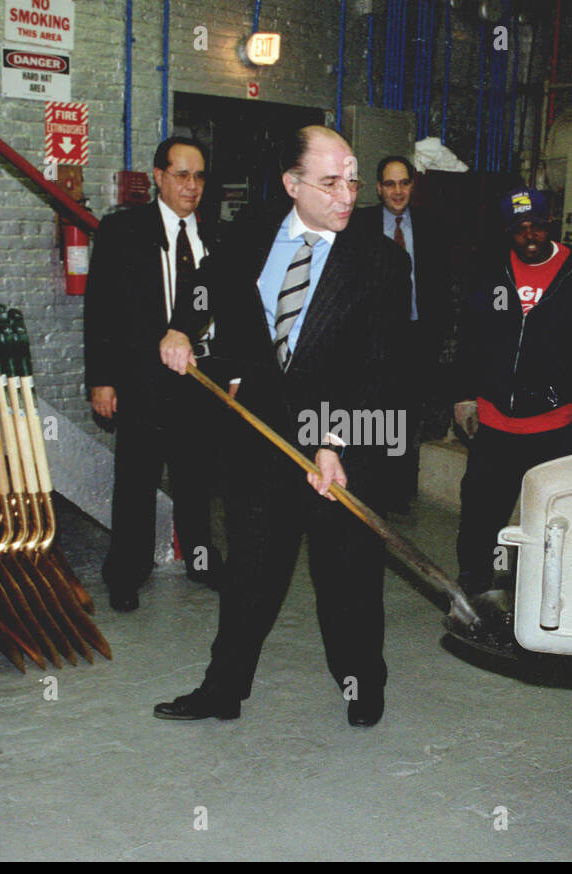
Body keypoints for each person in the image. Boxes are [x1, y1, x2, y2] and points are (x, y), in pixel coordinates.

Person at [154, 126, 411, 726]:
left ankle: (360, 681)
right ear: (292, 184)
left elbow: (386, 370)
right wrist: (180, 328)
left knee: (346, 575)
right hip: (263, 435)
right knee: (251, 573)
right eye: (329, 182)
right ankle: (224, 689)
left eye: (352, 178)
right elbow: (205, 286)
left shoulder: (381, 262)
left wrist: (335, 441)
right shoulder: (253, 231)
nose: (348, 195)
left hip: (341, 437)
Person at [453, 187, 572, 618]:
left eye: (536, 226)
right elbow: (469, 339)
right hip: (493, 422)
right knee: (479, 513)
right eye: (519, 228)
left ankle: (546, 602)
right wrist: (461, 396)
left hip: (552, 424)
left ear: (551, 225)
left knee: (550, 522)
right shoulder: (491, 270)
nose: (528, 235)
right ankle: (471, 591)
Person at [83, 136, 224, 612]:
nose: (192, 185)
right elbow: (99, 309)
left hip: (200, 382)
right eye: (181, 175)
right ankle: (126, 572)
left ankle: (202, 562)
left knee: (196, 481)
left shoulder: (217, 237)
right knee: (136, 482)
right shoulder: (122, 230)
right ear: (158, 177)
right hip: (140, 379)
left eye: (199, 175)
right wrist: (102, 380)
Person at [351, 155, 453, 511]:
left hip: (415, 338)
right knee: (370, 414)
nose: (397, 191)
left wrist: (436, 337)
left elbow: (442, 287)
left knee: (406, 415)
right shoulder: (358, 225)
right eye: (390, 184)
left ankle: (396, 491)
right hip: (370, 342)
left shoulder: (433, 227)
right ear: (378, 188)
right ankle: (369, 487)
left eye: (404, 183)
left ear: (413, 185)